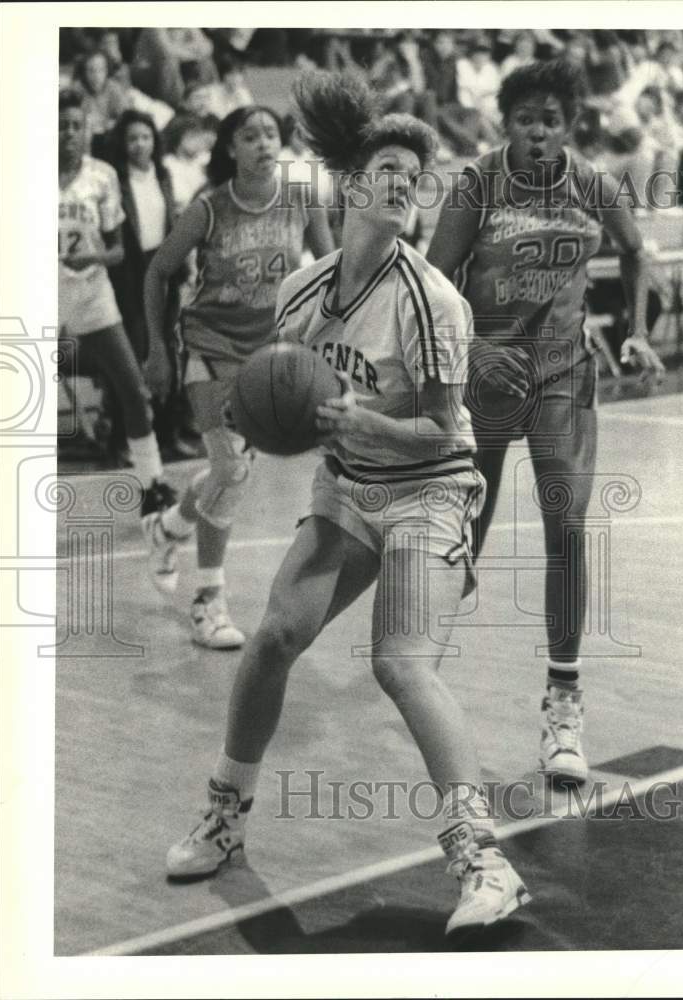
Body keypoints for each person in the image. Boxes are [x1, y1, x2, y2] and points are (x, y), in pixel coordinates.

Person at [164, 69, 530, 938]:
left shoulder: (431, 298)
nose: (406, 184)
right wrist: (272, 420)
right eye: (390, 170)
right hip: (350, 488)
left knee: (399, 660)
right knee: (274, 637)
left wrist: (360, 417)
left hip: (433, 490)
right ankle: (225, 817)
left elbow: (446, 427)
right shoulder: (300, 291)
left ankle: (485, 859)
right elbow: (281, 391)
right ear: (353, 186)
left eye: (417, 174)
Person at [427, 60, 665, 784]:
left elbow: (634, 253)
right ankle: (419, 677)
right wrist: (441, 374)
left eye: (551, 120)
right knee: (461, 535)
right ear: (507, 123)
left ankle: (564, 704)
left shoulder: (592, 183)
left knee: (566, 524)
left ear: (569, 126)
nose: (538, 130)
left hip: (562, 372)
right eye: (526, 118)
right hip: (487, 374)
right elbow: (435, 283)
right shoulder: (477, 186)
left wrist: (638, 327)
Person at [142, 105, 335, 649]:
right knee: (232, 470)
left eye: (270, 134)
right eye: (249, 136)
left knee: (231, 472)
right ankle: (209, 602)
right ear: (230, 148)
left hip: (270, 352)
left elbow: (331, 273)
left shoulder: (301, 198)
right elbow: (159, 271)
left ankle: (168, 528)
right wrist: (157, 347)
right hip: (209, 343)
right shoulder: (209, 208)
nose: (262, 144)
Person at [57, 90, 176, 521]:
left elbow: (118, 251)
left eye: (76, 125)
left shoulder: (103, 176)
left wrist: (91, 257)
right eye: (61, 125)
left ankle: (153, 483)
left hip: (91, 292)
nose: (69, 133)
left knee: (133, 389)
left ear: (87, 130)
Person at [107, 110, 196, 462]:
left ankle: (168, 434)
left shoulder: (163, 174)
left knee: (170, 349)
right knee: (133, 355)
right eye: (132, 138)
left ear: (154, 141)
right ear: (123, 143)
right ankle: (122, 439)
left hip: (165, 265)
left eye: (145, 137)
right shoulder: (116, 179)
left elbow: (172, 222)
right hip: (132, 272)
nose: (139, 144)